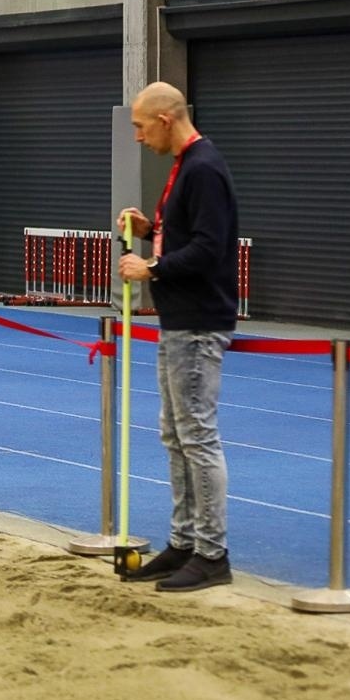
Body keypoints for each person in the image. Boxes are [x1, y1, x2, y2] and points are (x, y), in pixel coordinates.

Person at [116, 82, 240, 593]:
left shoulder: (204, 168)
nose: (139, 138)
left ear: (165, 120)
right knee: (175, 436)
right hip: (177, 322)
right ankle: (184, 541)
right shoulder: (187, 167)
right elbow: (189, 234)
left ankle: (211, 553)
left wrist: (153, 267)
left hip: (197, 322)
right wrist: (150, 231)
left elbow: (212, 249)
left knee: (196, 437)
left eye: (142, 127)